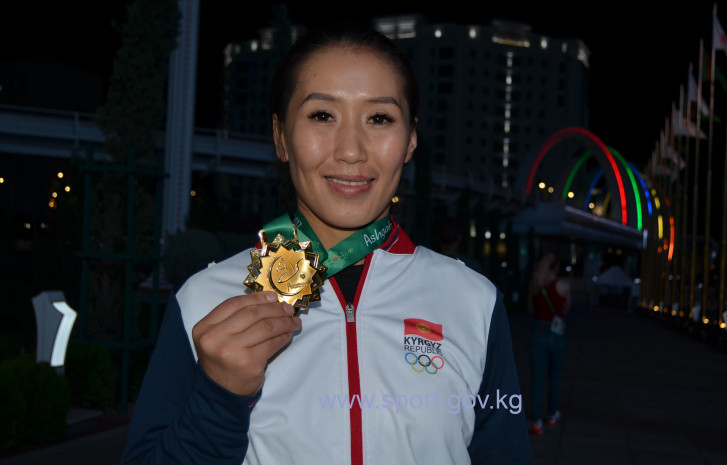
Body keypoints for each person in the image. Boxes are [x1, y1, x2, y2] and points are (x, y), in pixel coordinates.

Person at [121, 22, 533, 464]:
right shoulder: (205, 302)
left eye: (379, 118)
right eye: (322, 115)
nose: (351, 150)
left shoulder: (472, 300)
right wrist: (219, 397)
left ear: (411, 140)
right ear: (281, 136)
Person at [527, 252, 570, 435]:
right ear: (557, 267)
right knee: (555, 376)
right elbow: (565, 309)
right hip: (556, 333)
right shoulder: (564, 286)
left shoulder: (534, 286)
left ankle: (537, 421)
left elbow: (531, 309)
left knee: (537, 378)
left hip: (538, 331)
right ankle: (551, 414)